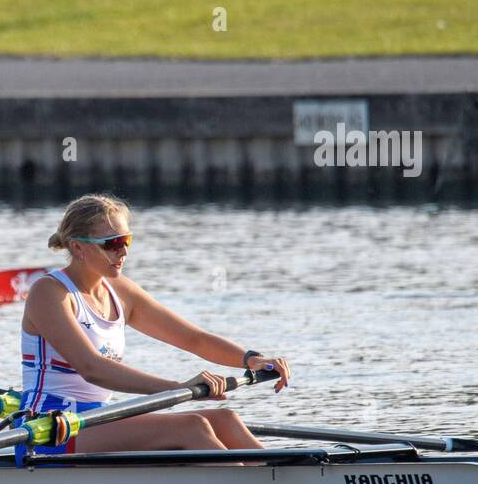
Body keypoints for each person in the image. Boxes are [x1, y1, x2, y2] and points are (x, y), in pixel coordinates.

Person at [18, 194, 292, 460]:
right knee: (192, 426)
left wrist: (251, 359)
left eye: (126, 241)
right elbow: (92, 368)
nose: (123, 251)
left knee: (225, 419)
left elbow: (193, 339)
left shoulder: (120, 291)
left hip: (97, 418)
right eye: (111, 243)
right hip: (49, 428)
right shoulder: (49, 292)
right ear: (78, 247)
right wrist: (177, 388)